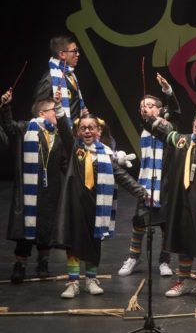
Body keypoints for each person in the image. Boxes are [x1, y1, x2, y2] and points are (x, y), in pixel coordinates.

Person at [53, 105, 147, 299]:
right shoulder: (75, 148)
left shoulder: (105, 154)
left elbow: (121, 176)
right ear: (78, 132)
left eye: (91, 128)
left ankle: (91, 279)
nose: (87, 131)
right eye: (83, 128)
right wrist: (59, 109)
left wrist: (142, 193)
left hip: (97, 206)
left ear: (99, 131)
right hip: (75, 204)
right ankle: (72, 282)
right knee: (73, 242)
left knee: (94, 242)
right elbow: (64, 129)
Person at [143, 105, 196, 302]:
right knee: (183, 240)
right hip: (180, 199)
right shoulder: (182, 140)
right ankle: (183, 280)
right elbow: (163, 131)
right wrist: (150, 118)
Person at [118, 73, 181, 278]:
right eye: (142, 106)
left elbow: (176, 111)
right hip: (146, 182)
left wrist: (167, 91)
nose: (145, 109)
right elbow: (149, 122)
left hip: (166, 182)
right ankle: (133, 258)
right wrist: (148, 115)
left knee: (165, 224)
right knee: (139, 223)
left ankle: (164, 261)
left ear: (161, 109)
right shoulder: (146, 125)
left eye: (150, 105)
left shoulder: (168, 125)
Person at [1, 89, 66, 283]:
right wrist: (6, 106)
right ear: (42, 113)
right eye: (54, 110)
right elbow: (9, 126)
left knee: (47, 226)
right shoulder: (26, 128)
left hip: (51, 188)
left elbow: (64, 162)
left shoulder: (60, 136)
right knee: (26, 227)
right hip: (30, 188)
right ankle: (20, 264)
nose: (57, 114)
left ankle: (43, 262)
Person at [33, 35, 87, 125]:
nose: (78, 54)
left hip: (75, 131)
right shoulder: (50, 78)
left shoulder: (71, 75)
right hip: (60, 133)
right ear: (62, 54)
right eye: (74, 51)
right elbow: (39, 109)